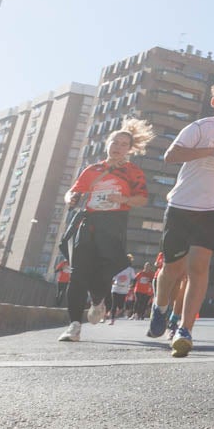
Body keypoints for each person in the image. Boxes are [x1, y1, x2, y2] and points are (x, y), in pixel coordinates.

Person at [148, 75, 214, 358]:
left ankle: (185, 329)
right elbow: (171, 156)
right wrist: (210, 150)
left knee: (198, 267)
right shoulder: (199, 127)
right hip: (183, 205)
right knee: (172, 269)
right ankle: (159, 307)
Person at [58, 120, 153, 343]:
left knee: (107, 269)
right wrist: (70, 198)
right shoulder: (93, 170)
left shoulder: (133, 172)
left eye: (123, 144)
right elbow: (73, 191)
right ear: (107, 144)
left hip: (113, 225)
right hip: (89, 222)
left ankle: (99, 298)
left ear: (129, 149)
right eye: (115, 142)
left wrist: (124, 199)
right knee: (78, 273)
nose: (118, 147)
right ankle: (73, 326)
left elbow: (142, 199)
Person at [109, 255, 137, 324]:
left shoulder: (130, 269)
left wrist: (132, 286)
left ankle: (116, 313)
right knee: (114, 304)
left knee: (121, 306)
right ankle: (112, 320)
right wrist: (113, 281)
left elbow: (134, 278)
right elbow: (113, 277)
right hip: (115, 288)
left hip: (124, 289)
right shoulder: (117, 268)